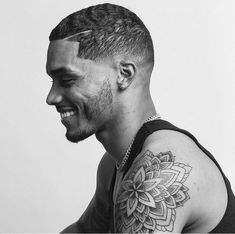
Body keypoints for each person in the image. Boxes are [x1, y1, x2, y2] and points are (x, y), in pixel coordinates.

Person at [46, 3, 235, 233]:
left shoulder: (156, 178)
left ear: (124, 74)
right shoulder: (114, 164)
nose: (51, 97)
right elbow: (83, 231)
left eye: (67, 80)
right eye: (52, 82)